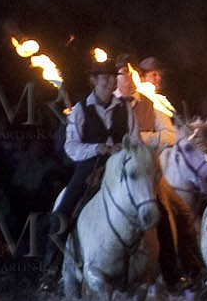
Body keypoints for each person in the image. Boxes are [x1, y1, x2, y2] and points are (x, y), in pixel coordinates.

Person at [41, 66, 137, 281]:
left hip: (119, 167)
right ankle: (51, 268)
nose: (111, 82)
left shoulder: (126, 108)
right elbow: (71, 147)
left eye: (114, 77)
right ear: (94, 80)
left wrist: (123, 149)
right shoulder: (80, 109)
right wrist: (98, 148)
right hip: (89, 168)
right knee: (63, 211)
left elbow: (135, 141)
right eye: (105, 77)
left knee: (154, 205)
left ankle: (171, 272)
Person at [115, 56, 203, 287]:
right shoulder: (108, 104)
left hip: (150, 173)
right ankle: (55, 265)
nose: (128, 77)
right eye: (123, 73)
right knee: (71, 201)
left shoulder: (151, 102)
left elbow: (170, 136)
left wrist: (143, 138)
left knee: (181, 213)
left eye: (129, 72)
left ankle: (186, 274)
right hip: (116, 171)